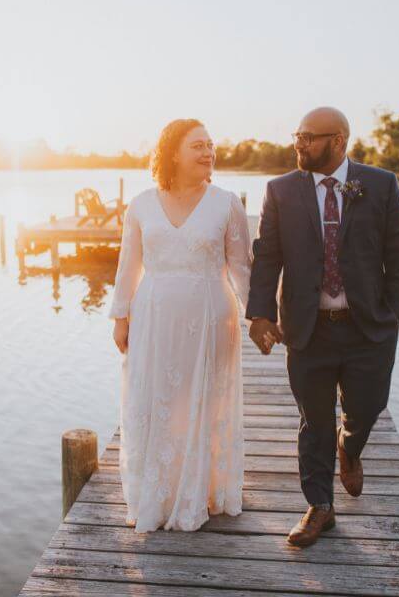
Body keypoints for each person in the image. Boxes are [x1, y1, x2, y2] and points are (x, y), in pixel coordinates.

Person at [246, 107, 399, 547]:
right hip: (307, 329)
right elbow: (267, 256)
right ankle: (320, 507)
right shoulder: (280, 191)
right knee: (313, 420)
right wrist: (260, 314)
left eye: (308, 137)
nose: (298, 144)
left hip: (367, 328)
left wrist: (395, 312)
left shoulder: (380, 184)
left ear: (338, 140)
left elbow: (398, 255)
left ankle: (350, 446)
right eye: (296, 135)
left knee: (369, 405)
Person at [108, 118, 251, 532]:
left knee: (202, 401)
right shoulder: (141, 205)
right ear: (173, 152)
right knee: (156, 402)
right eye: (198, 146)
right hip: (153, 319)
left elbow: (242, 269)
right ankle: (160, 491)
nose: (209, 152)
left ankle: (201, 491)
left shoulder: (226, 203)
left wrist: (261, 317)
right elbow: (127, 267)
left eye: (210, 145)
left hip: (210, 318)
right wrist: (121, 317)